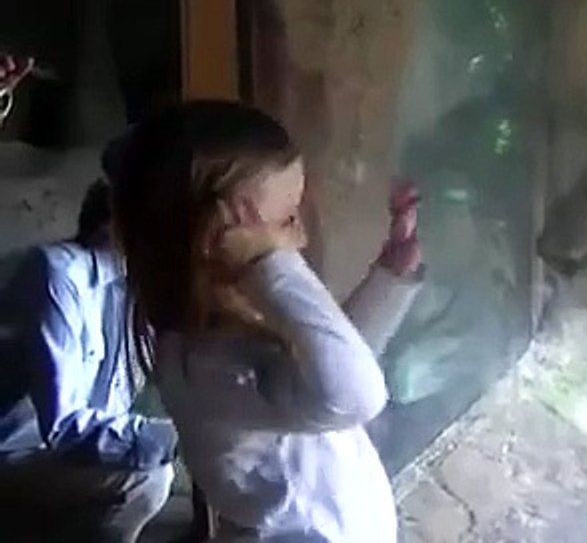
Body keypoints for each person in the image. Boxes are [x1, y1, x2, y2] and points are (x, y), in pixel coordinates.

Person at [110, 99, 424, 542]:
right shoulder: (208, 365)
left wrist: (389, 280)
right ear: (217, 243)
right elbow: (351, 395)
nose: (299, 238)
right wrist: (267, 265)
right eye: (285, 221)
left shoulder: (226, 341)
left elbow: (327, 374)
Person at [0, 174, 177, 542]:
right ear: (117, 225)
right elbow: (63, 427)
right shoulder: (58, 274)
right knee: (147, 477)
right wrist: (175, 437)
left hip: (66, 459)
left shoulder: (142, 291)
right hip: (16, 452)